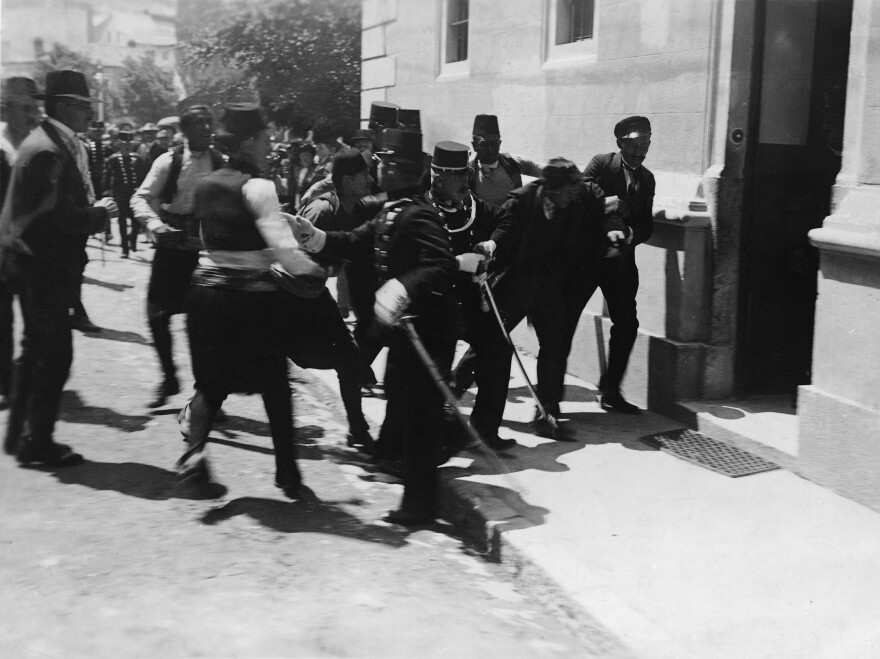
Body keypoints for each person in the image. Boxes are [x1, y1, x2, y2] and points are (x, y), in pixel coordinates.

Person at [289, 129, 459, 525]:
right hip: (406, 332)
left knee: (419, 417)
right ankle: (412, 488)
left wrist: (402, 287)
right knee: (403, 408)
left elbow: (440, 265)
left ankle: (420, 505)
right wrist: (313, 237)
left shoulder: (420, 214)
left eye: (382, 163)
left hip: (429, 333)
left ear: (399, 169)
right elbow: (354, 241)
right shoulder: (392, 209)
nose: (377, 168)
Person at [176, 103, 302, 495]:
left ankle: (194, 453)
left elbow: (196, 231)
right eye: (265, 138)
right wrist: (314, 267)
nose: (270, 144)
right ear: (249, 142)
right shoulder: (260, 187)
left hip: (203, 294)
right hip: (250, 299)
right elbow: (285, 251)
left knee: (211, 384)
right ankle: (287, 473)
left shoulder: (206, 184)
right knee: (276, 385)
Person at [0, 69, 118, 464]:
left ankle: (27, 435)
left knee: (39, 350)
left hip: (40, 267)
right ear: (65, 106)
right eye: (85, 107)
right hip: (45, 269)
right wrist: (98, 213)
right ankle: (38, 442)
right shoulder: (49, 150)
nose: (89, 115)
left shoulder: (51, 142)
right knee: (54, 354)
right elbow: (54, 220)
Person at [471, 158, 606, 439]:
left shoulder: (571, 203)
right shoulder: (522, 200)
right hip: (515, 283)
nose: (573, 195)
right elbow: (504, 228)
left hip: (549, 286)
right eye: (569, 191)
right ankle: (462, 399)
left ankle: (548, 414)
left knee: (555, 344)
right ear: (554, 189)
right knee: (492, 345)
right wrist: (492, 244)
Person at [131, 105, 226, 408]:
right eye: (200, 124)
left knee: (204, 324)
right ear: (185, 131)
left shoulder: (220, 162)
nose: (207, 129)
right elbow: (140, 197)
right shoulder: (169, 161)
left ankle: (207, 394)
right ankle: (169, 377)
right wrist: (155, 224)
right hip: (172, 249)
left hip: (206, 254)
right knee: (157, 316)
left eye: (209, 123)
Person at [290, 150, 376, 450]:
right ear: (348, 180)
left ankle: (358, 430)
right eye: (365, 174)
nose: (371, 178)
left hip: (315, 294)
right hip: (287, 297)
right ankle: (199, 410)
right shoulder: (321, 211)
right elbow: (287, 255)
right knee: (247, 365)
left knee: (349, 359)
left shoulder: (358, 209)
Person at [580, 116, 655, 414]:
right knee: (564, 321)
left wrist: (630, 234)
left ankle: (611, 390)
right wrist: (609, 204)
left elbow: (646, 225)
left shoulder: (647, 179)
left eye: (646, 144)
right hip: (586, 260)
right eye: (634, 144)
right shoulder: (601, 164)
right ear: (620, 143)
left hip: (621, 263)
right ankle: (547, 402)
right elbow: (577, 199)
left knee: (627, 325)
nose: (640, 151)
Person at [0, 76, 41, 411]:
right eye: (25, 108)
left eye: (35, 108)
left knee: (35, 318)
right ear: (7, 108)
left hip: (33, 248)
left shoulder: (40, 146)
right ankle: (5, 384)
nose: (32, 115)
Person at [468, 114, 544, 208]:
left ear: (500, 143)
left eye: (494, 144)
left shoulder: (514, 162)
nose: (490, 149)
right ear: (474, 146)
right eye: (484, 144)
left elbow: (546, 171)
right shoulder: (468, 172)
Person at [102, 130, 143, 257]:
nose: (127, 144)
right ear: (119, 143)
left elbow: (143, 175)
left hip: (134, 194)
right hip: (120, 194)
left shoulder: (137, 158)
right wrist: (106, 191)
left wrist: (141, 189)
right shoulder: (113, 159)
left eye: (129, 141)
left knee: (136, 220)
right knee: (122, 222)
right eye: (124, 141)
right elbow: (107, 176)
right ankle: (125, 248)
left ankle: (133, 240)